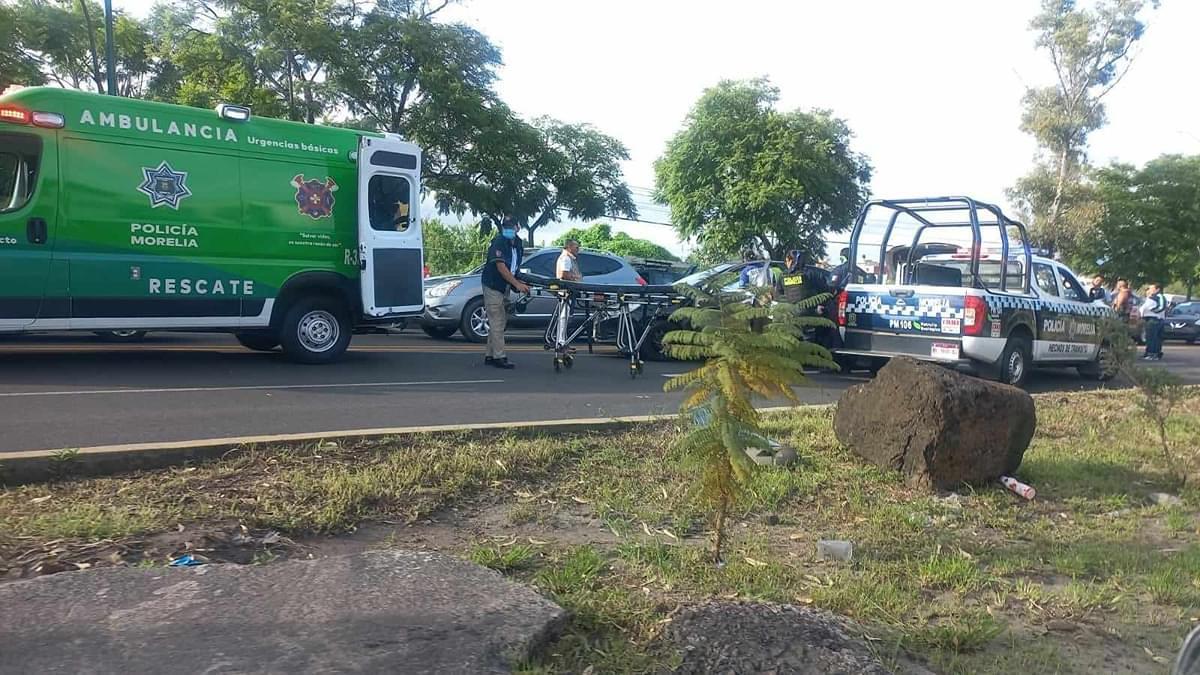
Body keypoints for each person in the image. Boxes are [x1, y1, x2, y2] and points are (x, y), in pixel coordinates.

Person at [480, 217, 529, 369]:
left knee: (500, 321)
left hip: (504, 286)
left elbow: (514, 267)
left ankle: (490, 354)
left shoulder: (518, 244)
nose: (508, 229)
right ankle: (499, 356)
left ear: (517, 227)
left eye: (511, 227)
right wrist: (516, 284)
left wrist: (521, 283)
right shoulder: (499, 242)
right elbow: (501, 267)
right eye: (505, 227)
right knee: (497, 320)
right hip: (493, 285)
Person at [1140, 283, 1167, 360]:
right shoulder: (1152, 297)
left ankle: (1152, 354)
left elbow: (1162, 307)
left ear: (1157, 289)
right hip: (1151, 319)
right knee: (1152, 337)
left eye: (1151, 288)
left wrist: (1153, 310)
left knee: (1153, 338)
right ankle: (1150, 353)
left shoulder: (1159, 296)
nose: (1149, 290)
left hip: (1154, 319)